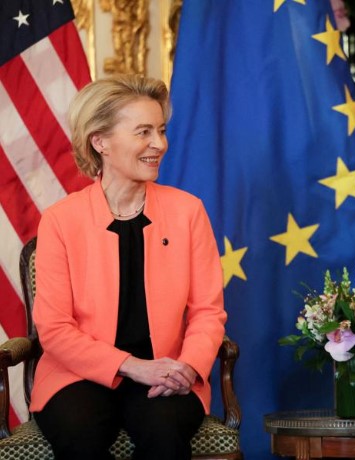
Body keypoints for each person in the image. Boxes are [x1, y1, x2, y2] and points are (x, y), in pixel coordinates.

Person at [30, 74, 227, 460]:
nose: (159, 144)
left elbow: (208, 312)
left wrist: (187, 367)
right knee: (79, 434)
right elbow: (54, 329)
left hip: (166, 371)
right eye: (143, 132)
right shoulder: (60, 220)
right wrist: (131, 366)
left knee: (164, 433)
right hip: (76, 375)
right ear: (100, 142)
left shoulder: (188, 212)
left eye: (161, 130)